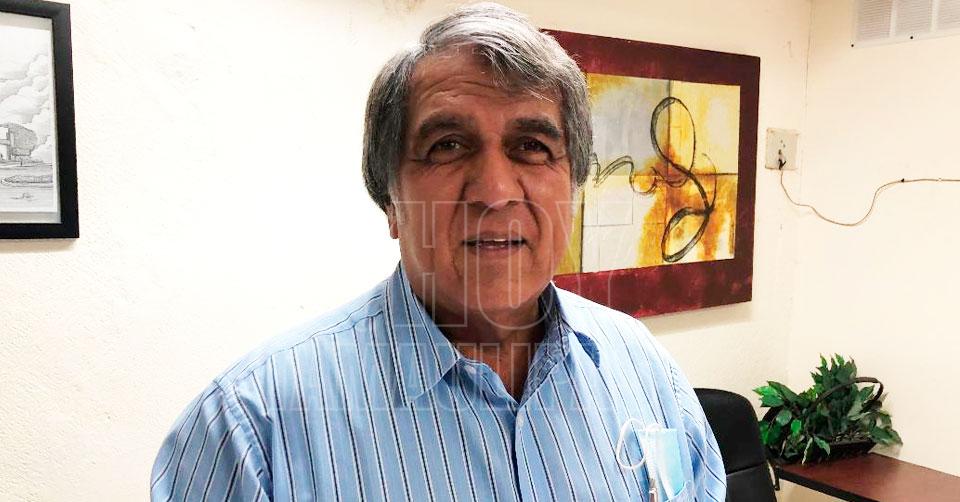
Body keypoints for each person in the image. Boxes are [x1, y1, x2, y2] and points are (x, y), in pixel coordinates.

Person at [151, 3, 725, 500]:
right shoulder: (251, 430)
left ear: (573, 185)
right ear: (390, 199)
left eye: (531, 146)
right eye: (448, 145)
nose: (495, 192)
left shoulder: (644, 370)